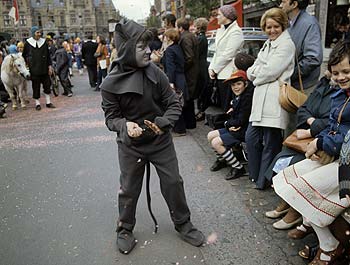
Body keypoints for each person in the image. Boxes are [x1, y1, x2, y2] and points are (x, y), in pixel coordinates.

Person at [100, 19, 205, 254]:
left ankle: (183, 223)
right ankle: (125, 228)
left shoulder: (155, 73)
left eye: (149, 45)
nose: (149, 50)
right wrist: (124, 125)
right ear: (127, 49)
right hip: (131, 146)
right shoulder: (109, 84)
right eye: (141, 47)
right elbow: (110, 118)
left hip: (159, 142)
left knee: (173, 182)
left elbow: (173, 102)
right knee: (128, 188)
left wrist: (164, 122)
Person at [273, 40, 350, 265]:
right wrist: (320, 141)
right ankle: (313, 225)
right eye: (336, 73)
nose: (341, 77)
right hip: (337, 156)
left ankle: (328, 245)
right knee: (288, 179)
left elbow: (345, 137)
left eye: (346, 71)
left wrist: (319, 143)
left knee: (302, 188)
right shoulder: (340, 94)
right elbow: (332, 127)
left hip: (345, 164)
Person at [264, 73, 335, 232]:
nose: (335, 75)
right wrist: (311, 121)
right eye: (333, 70)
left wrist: (312, 128)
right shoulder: (323, 84)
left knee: (298, 165)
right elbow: (303, 108)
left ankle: (294, 209)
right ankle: (286, 200)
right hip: (308, 136)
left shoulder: (341, 93)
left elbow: (334, 121)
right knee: (282, 159)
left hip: (321, 139)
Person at [245, 8, 295, 190]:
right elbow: (253, 69)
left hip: (274, 99)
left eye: (276, 26)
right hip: (261, 99)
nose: (272, 30)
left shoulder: (286, 44)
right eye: (268, 27)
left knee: (270, 143)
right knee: (251, 139)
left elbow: (271, 70)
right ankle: (255, 175)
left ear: (282, 26)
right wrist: (259, 73)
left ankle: (263, 181)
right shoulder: (268, 43)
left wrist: (257, 74)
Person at [207, 70, 253, 180]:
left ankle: (238, 167)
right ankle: (223, 159)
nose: (235, 87)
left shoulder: (247, 98)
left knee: (216, 142)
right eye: (233, 85)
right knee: (210, 135)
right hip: (235, 127)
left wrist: (227, 123)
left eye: (239, 84)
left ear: (245, 84)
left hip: (243, 130)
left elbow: (241, 120)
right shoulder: (238, 97)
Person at [279, 0, 322, 95]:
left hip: (304, 87)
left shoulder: (309, 24)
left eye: (283, 2)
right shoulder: (289, 24)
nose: (280, 5)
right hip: (292, 85)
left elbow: (313, 58)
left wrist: (289, 73)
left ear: (294, 4)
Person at [208, 4, 243, 112]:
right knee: (223, 106)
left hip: (229, 73)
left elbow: (228, 54)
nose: (217, 17)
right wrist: (211, 68)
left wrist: (215, 69)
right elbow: (217, 52)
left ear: (227, 16)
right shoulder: (221, 30)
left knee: (229, 106)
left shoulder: (236, 32)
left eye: (219, 15)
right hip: (220, 74)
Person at [162, 28, 188, 136]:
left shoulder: (169, 50)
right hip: (181, 77)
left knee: (175, 103)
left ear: (169, 38)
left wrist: (170, 82)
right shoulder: (178, 48)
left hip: (175, 78)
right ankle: (181, 127)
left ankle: (179, 129)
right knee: (180, 102)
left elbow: (170, 67)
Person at [22, 26, 55, 111]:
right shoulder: (28, 43)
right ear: (33, 33)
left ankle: (48, 102)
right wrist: (27, 66)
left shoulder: (44, 42)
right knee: (35, 87)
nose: (39, 34)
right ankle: (37, 103)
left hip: (44, 68)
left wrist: (50, 66)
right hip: (34, 69)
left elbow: (48, 56)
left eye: (40, 32)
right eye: (37, 32)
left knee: (47, 85)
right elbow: (24, 56)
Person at [177, 17, 198, 130]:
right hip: (193, 70)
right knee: (189, 98)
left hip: (189, 72)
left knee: (188, 98)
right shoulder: (191, 36)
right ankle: (190, 122)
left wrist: (182, 68)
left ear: (180, 28)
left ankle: (189, 123)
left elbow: (189, 57)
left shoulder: (185, 38)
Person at [193, 17, 209, 122]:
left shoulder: (200, 38)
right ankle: (200, 110)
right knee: (201, 88)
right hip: (202, 64)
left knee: (200, 89)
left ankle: (201, 111)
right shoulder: (202, 37)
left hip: (199, 65)